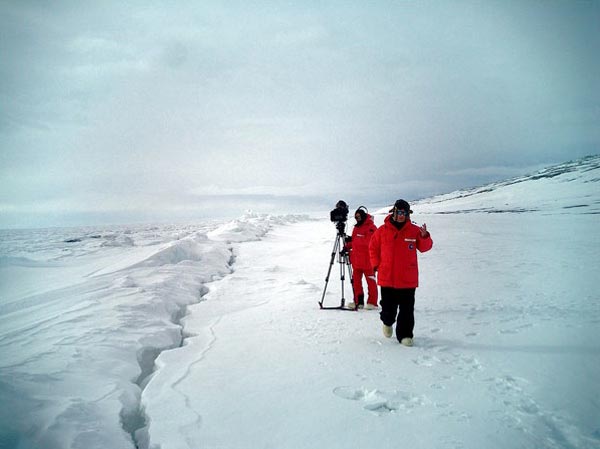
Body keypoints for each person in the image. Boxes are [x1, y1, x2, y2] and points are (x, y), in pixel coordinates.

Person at [369, 199, 433, 346]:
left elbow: (425, 248)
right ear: (394, 212)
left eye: (405, 213)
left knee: (407, 310)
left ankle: (405, 335)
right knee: (388, 309)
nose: (402, 216)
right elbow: (373, 248)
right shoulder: (382, 231)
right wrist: (376, 265)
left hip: (407, 279)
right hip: (387, 278)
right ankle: (387, 322)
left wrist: (424, 237)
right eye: (399, 213)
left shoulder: (414, 230)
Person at [345, 207, 378, 310]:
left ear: (363, 216)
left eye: (359, 216)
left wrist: (353, 241)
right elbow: (355, 241)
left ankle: (372, 303)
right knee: (356, 282)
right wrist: (346, 246)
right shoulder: (356, 228)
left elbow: (369, 243)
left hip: (368, 262)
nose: (357, 219)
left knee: (371, 283)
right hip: (357, 261)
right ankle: (358, 301)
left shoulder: (371, 227)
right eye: (356, 217)